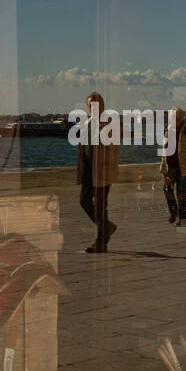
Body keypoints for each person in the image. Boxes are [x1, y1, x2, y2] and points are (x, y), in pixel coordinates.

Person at [76, 91, 119, 253]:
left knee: (101, 207)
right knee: (84, 202)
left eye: (96, 104)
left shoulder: (109, 122)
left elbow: (113, 144)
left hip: (103, 171)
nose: (92, 107)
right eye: (90, 105)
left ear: (102, 106)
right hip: (88, 171)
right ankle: (107, 227)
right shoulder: (87, 122)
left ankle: (101, 242)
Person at [161, 108, 186, 225]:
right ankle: (173, 212)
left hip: (183, 168)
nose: (174, 120)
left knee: (181, 192)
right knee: (167, 189)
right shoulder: (167, 130)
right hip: (170, 168)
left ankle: (182, 219)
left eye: (176, 118)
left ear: (181, 118)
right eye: (172, 118)